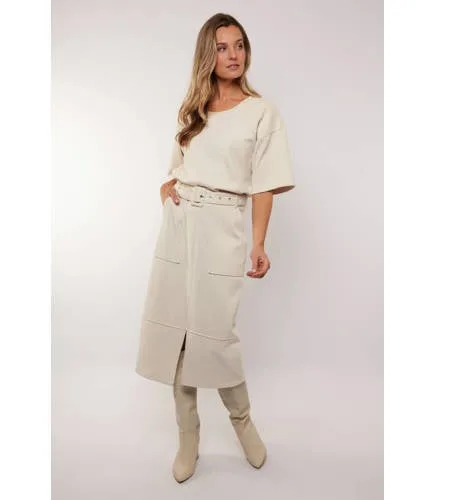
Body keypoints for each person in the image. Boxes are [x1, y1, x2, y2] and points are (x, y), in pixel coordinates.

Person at [135, 12, 296, 483]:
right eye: (223, 47)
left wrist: (259, 243)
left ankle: (243, 423)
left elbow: (264, 184)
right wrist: (166, 192)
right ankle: (188, 437)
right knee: (178, 336)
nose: (233, 55)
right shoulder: (193, 111)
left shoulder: (261, 112)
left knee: (216, 335)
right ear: (208, 54)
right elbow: (175, 172)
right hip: (180, 226)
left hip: (224, 227)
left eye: (239, 45)